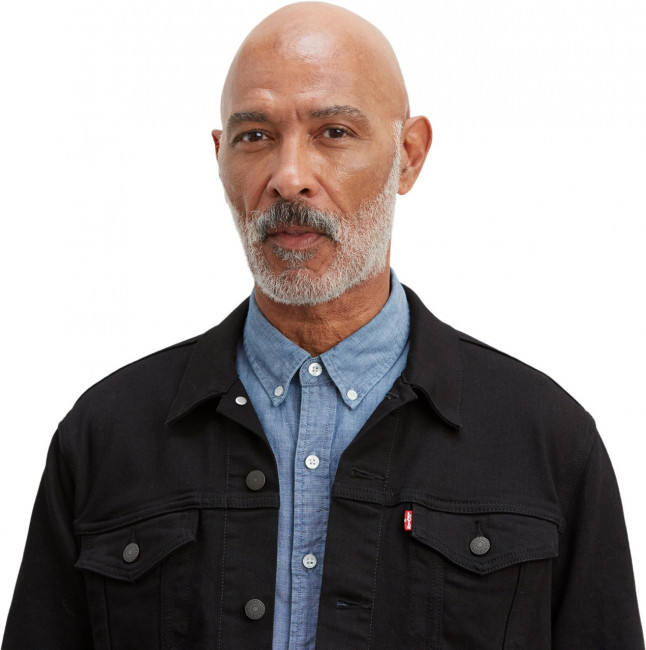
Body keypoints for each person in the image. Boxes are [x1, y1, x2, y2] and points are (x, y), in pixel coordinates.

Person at [3, 2, 643, 648]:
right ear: (220, 157)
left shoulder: (547, 442)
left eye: (334, 132)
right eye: (255, 136)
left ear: (409, 155)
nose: (289, 178)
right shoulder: (105, 437)